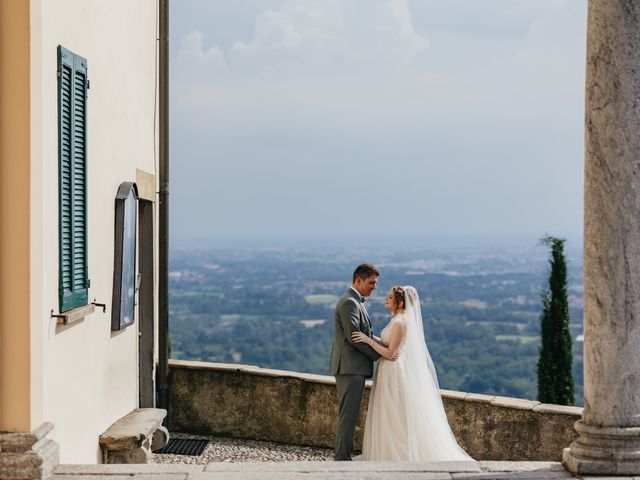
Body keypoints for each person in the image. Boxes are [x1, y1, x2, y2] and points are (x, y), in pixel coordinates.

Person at [352, 285, 474, 462]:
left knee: (394, 414)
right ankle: (385, 451)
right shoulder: (396, 320)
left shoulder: (401, 323)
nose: (386, 299)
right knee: (387, 412)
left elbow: (390, 353)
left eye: (390, 297)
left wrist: (367, 341)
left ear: (400, 302)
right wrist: (370, 338)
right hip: (387, 370)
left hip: (393, 372)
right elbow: (387, 344)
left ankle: (397, 454)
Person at [330, 263, 382, 461]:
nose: (374, 287)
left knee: (349, 416)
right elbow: (354, 337)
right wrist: (379, 354)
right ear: (358, 280)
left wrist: (385, 345)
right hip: (350, 367)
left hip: (353, 368)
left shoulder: (355, 301)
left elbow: (366, 335)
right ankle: (342, 459)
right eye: (371, 282)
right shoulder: (349, 303)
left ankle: (343, 456)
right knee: (348, 417)